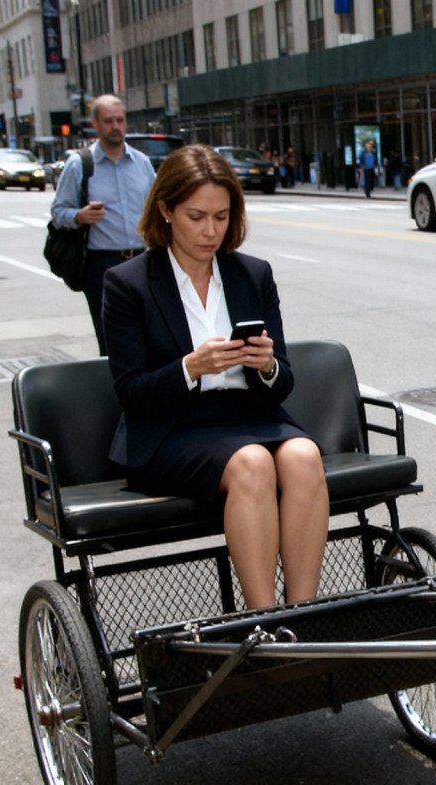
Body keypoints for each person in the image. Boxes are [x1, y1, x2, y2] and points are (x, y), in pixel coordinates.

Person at [102, 145, 328, 610]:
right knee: (252, 463)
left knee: (304, 456)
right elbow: (130, 392)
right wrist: (190, 368)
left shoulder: (252, 274)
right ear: (165, 210)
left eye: (222, 217)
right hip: (172, 429)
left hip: (248, 417)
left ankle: (304, 615)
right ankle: (264, 621)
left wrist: (267, 365)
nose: (211, 231)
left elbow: (283, 380)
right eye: (197, 216)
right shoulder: (128, 284)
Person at [51, 95, 158, 356]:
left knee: (149, 333)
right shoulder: (80, 164)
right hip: (102, 265)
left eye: (120, 120)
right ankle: (111, 381)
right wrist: (79, 216)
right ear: (96, 124)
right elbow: (58, 211)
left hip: (142, 259)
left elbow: (158, 207)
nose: (115, 126)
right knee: (111, 340)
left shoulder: (142, 163)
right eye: (108, 121)